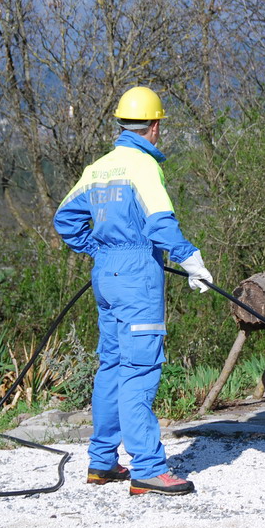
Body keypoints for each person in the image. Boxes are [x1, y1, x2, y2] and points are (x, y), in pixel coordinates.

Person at [53, 86, 213, 497]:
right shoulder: (143, 166)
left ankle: (102, 461)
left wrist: (101, 251)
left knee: (111, 365)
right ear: (155, 126)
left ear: (122, 124)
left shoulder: (98, 168)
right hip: (137, 275)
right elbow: (160, 222)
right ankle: (148, 469)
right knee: (139, 368)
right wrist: (191, 260)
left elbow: (65, 219)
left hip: (106, 274)